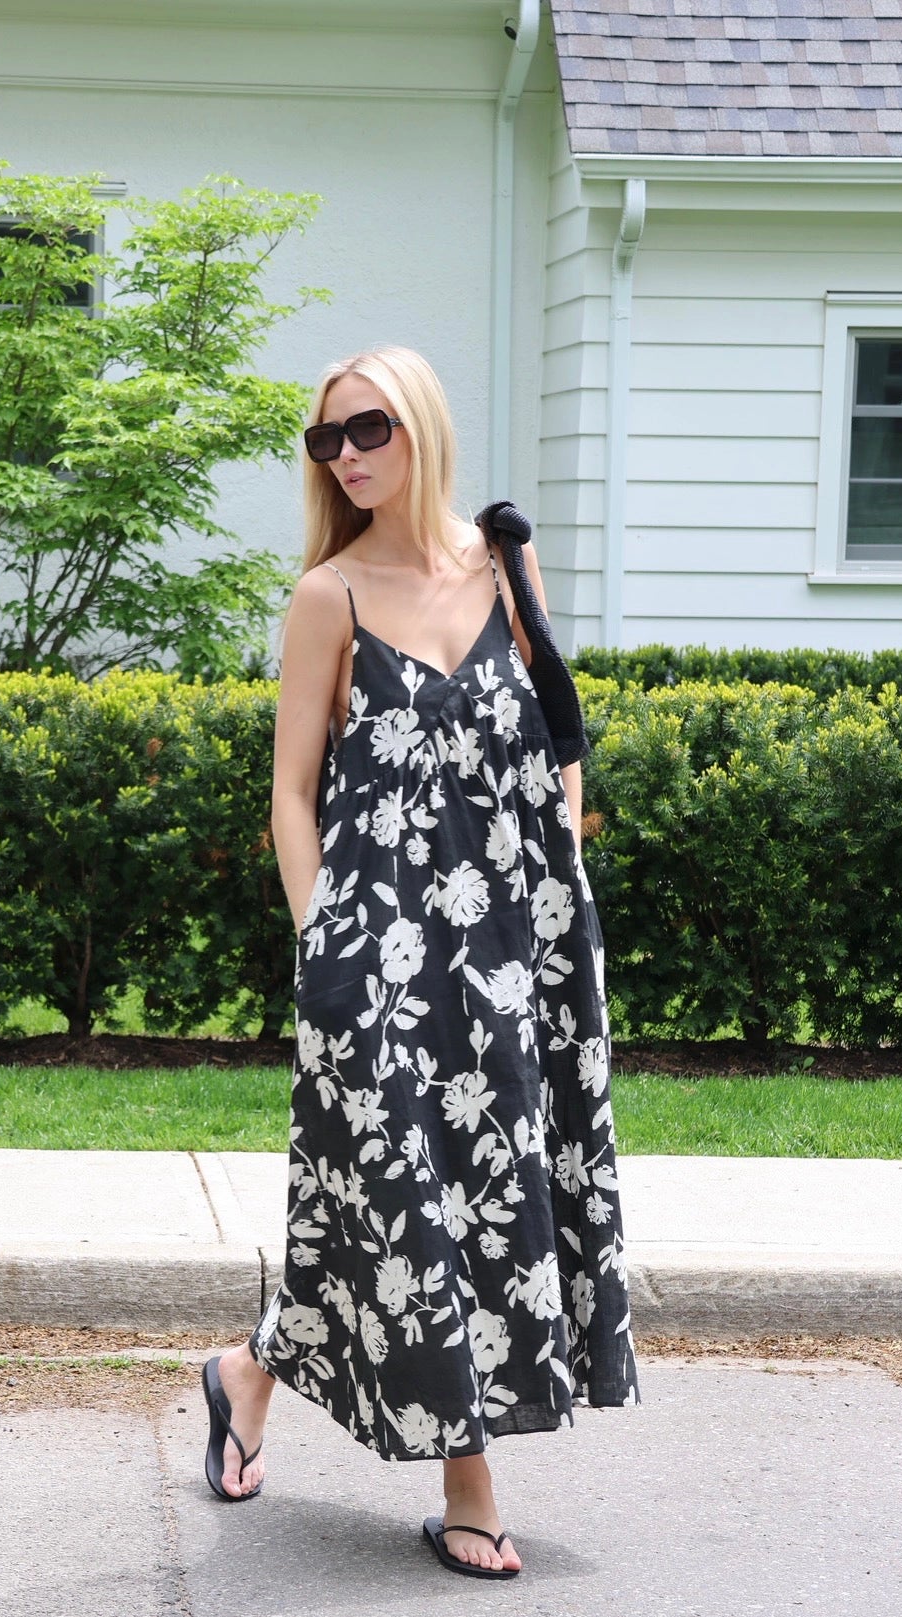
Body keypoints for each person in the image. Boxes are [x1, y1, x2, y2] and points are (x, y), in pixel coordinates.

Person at [201, 345, 639, 1580]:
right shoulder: (327, 597)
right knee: (405, 1199)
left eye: (369, 429)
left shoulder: (504, 562)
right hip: (381, 951)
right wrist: (326, 944)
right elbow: (291, 796)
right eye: (326, 439)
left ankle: (246, 1372)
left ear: (422, 425)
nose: (346, 455)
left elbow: (557, 739)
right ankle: (469, 1484)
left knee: (472, 1192)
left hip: (517, 945)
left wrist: (561, 887)